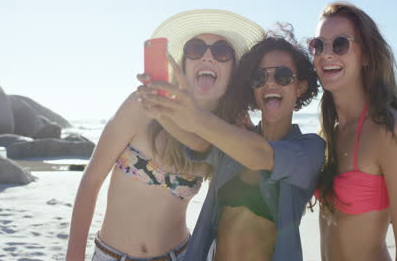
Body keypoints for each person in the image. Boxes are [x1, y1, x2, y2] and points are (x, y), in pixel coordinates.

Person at [65, 9, 264, 261]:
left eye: (221, 52)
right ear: (184, 63)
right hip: (111, 256)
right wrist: (74, 256)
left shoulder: (228, 134)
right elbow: (91, 181)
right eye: (195, 49)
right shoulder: (144, 105)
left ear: (233, 71)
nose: (207, 57)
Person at [137, 25, 325, 261]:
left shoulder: (310, 149)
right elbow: (199, 142)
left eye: (283, 76)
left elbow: (262, 156)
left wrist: (196, 117)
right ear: (252, 88)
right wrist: (161, 109)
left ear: (300, 87)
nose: (270, 83)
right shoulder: (235, 138)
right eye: (259, 77)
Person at [310, 2, 397, 260]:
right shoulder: (326, 134)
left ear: (367, 55)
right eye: (318, 45)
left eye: (340, 44)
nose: (326, 54)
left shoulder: (388, 131)